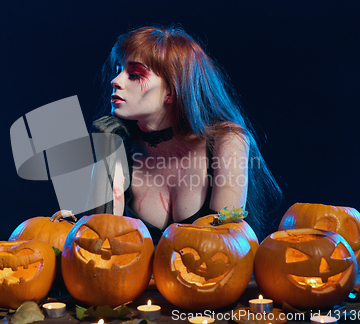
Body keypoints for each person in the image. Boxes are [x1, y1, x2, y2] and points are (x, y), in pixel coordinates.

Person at [90, 25, 281, 242]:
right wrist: (106, 152)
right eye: (117, 70)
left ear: (171, 90)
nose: (115, 81)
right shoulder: (119, 146)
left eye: (134, 74)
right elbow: (98, 242)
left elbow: (227, 241)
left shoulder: (227, 139)